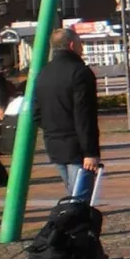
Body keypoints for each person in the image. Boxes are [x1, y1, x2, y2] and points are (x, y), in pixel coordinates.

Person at [33, 28, 101, 201]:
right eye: (80, 44)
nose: (82, 48)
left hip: (54, 143)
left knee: (72, 192)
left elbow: (36, 111)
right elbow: (84, 114)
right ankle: (79, 227)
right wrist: (90, 152)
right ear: (72, 45)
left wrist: (51, 127)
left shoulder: (43, 73)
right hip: (76, 144)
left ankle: (75, 223)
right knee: (80, 198)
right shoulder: (80, 72)